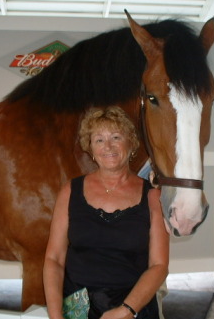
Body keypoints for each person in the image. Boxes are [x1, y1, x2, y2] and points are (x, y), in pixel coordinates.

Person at [43, 106, 169, 319]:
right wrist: (56, 316)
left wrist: (127, 310)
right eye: (99, 139)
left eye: (116, 137)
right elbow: (53, 259)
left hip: (132, 306)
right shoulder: (70, 191)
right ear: (90, 148)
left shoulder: (153, 197)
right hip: (77, 307)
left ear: (131, 143)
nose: (107, 146)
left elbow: (159, 266)